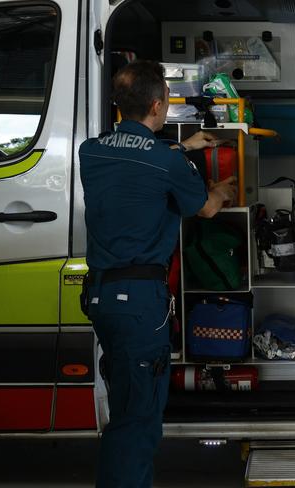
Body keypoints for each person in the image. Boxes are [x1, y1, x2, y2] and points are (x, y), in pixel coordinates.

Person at [79, 60, 236, 488]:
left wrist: (184, 148)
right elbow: (203, 207)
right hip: (139, 303)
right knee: (138, 420)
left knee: (128, 401)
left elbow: (135, 158)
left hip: (102, 298)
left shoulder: (91, 152)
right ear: (157, 105)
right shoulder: (167, 165)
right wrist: (220, 190)